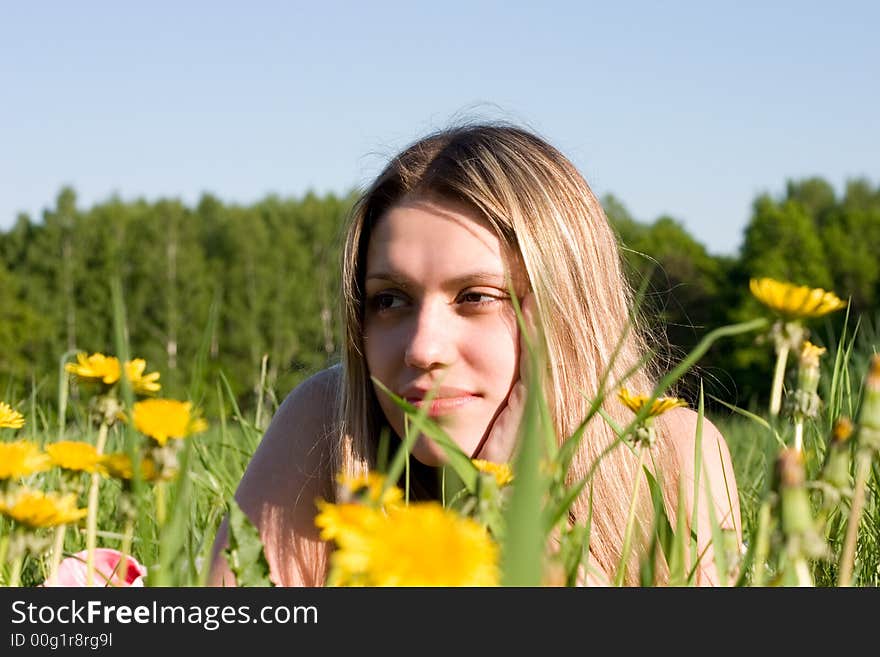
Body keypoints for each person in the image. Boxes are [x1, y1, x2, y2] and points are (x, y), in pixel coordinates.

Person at [208, 123, 741, 587]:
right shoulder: (326, 421)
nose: (422, 348)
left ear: (566, 311)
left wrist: (517, 512)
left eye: (476, 297)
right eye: (389, 300)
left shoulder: (675, 455)